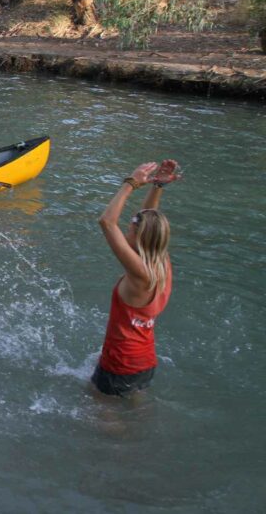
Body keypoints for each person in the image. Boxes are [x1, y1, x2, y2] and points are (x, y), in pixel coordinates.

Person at [92, 159, 181, 397]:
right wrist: (157, 186)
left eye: (129, 229)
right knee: (134, 406)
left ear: (140, 238)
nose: (126, 230)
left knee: (103, 415)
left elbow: (107, 222)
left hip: (120, 363)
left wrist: (131, 183)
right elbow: (149, 219)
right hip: (144, 360)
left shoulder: (140, 274)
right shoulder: (162, 263)